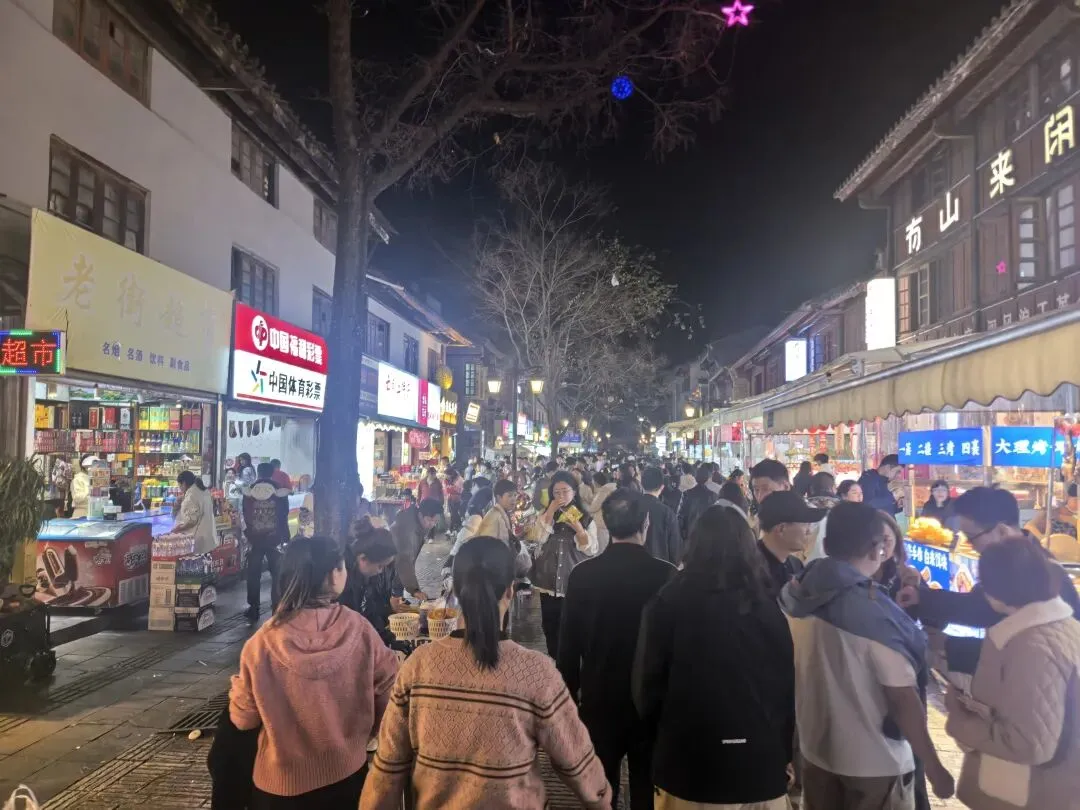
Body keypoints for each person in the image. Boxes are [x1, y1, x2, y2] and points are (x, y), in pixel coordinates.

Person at [360, 537, 612, 810]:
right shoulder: (537, 672)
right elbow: (578, 764)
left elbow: (387, 771)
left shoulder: (417, 666)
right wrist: (601, 800)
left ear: (456, 589)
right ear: (510, 591)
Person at [780, 502, 955, 810]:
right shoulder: (877, 616)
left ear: (825, 545)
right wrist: (934, 766)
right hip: (876, 762)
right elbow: (902, 700)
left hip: (816, 749)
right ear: (877, 550)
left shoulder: (795, 594)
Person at [634, 503, 795, 810]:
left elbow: (647, 688)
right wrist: (784, 752)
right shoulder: (767, 606)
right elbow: (786, 689)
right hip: (760, 765)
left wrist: (659, 746)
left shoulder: (668, 603)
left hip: (690, 765)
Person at [229, 536, 399, 809]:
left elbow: (243, 719)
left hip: (281, 789)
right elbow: (390, 693)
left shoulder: (261, 643)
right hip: (348, 777)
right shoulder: (360, 630)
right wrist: (366, 733)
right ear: (333, 575)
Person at [944, 537, 1080, 810]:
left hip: (1026, 794)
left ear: (994, 589)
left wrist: (961, 719)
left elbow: (1029, 744)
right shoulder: (1064, 627)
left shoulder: (1030, 646)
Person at [558, 490, 674, 809]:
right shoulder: (666, 576)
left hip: (599, 699)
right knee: (647, 789)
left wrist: (569, 703)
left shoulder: (583, 575)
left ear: (606, 524)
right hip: (651, 704)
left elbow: (568, 648)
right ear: (646, 523)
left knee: (600, 789)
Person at [897, 486, 1080, 674]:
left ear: (1001, 531)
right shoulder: (1014, 562)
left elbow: (1025, 654)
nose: (970, 545)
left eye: (972, 537)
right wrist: (921, 598)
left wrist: (949, 645)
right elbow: (980, 605)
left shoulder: (1040, 573)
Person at [527, 471, 599, 658]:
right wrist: (550, 512)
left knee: (573, 630)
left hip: (573, 584)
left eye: (565, 491)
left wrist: (579, 529)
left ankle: (571, 670)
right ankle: (554, 665)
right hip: (548, 584)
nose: (560, 496)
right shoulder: (545, 515)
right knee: (550, 627)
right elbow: (538, 538)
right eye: (556, 493)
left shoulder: (586, 517)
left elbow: (591, 550)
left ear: (574, 492)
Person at [338, 517, 401, 647]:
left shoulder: (366, 575)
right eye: (380, 566)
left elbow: (370, 611)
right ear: (363, 559)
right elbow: (350, 622)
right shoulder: (341, 580)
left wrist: (386, 637)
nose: (381, 571)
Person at [243, 462, 291, 620]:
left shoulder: (250, 490)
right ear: (272, 473)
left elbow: (245, 513)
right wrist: (284, 536)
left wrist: (249, 534)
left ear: (258, 473)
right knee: (277, 574)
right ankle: (277, 607)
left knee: (253, 574)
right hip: (274, 538)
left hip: (255, 539)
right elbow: (284, 514)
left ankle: (253, 607)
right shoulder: (278, 490)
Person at [758, 490, 825, 594]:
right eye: (805, 524)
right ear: (782, 529)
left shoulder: (795, 565)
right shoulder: (751, 569)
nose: (809, 531)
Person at [390, 498, 443, 602]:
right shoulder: (407, 529)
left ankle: (396, 598)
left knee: (397, 593)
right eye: (429, 520)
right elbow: (404, 560)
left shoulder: (418, 522)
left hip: (397, 571)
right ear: (420, 515)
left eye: (435, 521)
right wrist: (415, 590)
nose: (432, 524)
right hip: (387, 567)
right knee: (389, 599)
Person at [640, 466, 682, 564]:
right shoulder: (667, 513)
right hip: (660, 567)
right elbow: (675, 549)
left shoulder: (629, 508)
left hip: (632, 567)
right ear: (662, 487)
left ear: (641, 484)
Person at [174, 471, 217, 554]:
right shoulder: (204, 491)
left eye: (180, 486)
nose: (180, 489)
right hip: (209, 538)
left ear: (184, 483)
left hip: (198, 540)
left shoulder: (191, 495)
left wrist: (178, 529)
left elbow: (191, 521)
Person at [677, 464, 718, 542]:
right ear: (708, 479)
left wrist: (682, 534)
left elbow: (681, 515)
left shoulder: (687, 493)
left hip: (690, 533)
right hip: (708, 535)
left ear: (695, 478)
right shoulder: (713, 496)